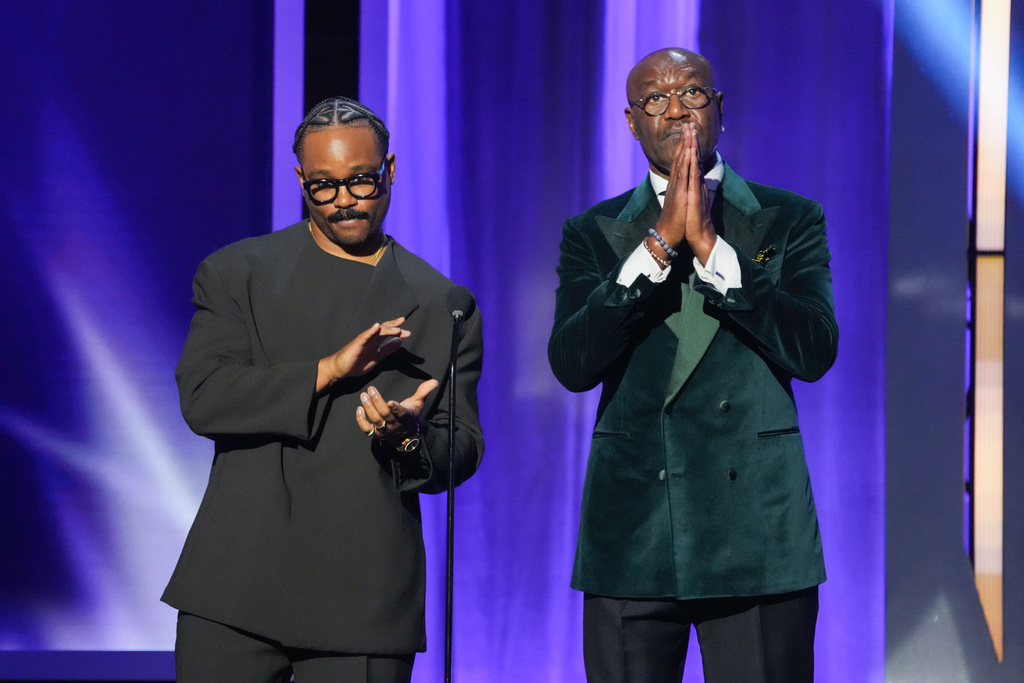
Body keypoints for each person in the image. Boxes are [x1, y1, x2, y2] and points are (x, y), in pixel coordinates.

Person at [162, 96, 484, 683]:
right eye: (323, 187)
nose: (343, 202)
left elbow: (460, 449)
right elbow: (204, 395)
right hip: (236, 586)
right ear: (300, 180)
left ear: (389, 170)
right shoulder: (240, 273)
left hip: (362, 596)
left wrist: (410, 438)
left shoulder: (442, 304)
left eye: (360, 182)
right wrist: (328, 370)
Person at [548, 48, 838, 682]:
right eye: (655, 99)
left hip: (756, 532)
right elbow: (572, 363)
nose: (676, 108)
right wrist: (658, 245)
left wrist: (711, 247)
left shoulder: (789, 218)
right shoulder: (592, 231)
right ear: (631, 121)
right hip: (633, 532)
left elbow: (814, 349)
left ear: (719, 109)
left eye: (692, 94)